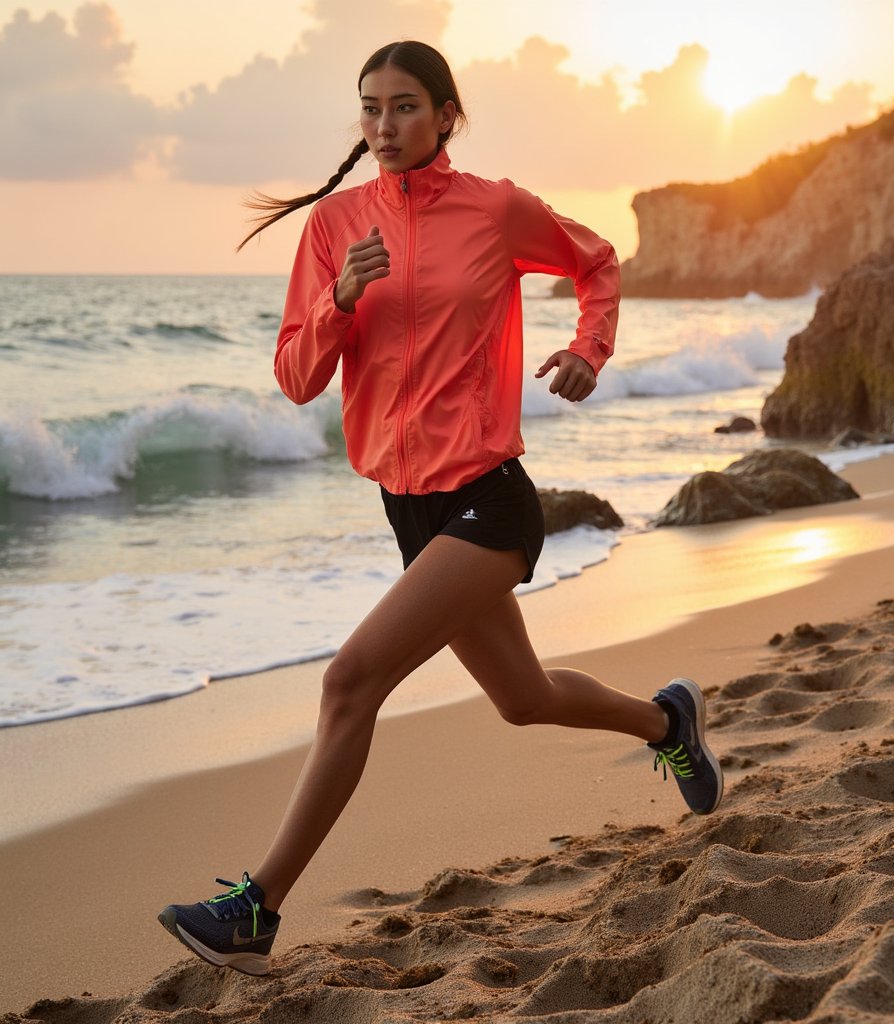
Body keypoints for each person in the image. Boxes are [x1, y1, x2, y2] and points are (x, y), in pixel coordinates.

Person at [158, 39, 723, 977]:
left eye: (407, 107)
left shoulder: (494, 209)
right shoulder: (335, 228)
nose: (385, 126)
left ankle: (255, 912)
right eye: (371, 108)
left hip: (490, 502)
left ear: (447, 115)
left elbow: (597, 259)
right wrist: (340, 301)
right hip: (407, 510)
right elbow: (297, 377)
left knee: (348, 683)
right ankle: (669, 724)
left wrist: (591, 347)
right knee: (524, 698)